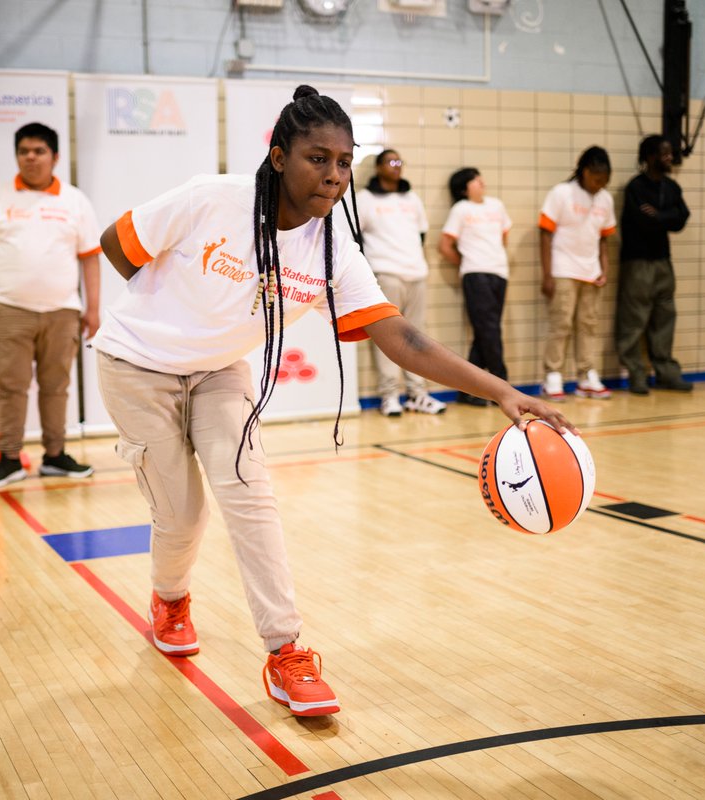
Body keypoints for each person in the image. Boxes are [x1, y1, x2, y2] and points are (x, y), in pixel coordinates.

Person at [93, 86, 573, 717]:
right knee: (182, 515)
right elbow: (116, 243)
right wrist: (170, 312)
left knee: (250, 493)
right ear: (278, 157)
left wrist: (506, 393)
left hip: (218, 373)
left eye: (344, 162)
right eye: (318, 158)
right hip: (137, 364)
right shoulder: (212, 199)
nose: (334, 175)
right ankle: (170, 597)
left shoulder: (332, 249)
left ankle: (285, 651)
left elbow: (403, 337)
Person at [0, 122, 102, 489]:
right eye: (24, 150)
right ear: (16, 156)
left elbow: (90, 257)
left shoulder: (74, 200)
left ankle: (55, 456)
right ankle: (9, 458)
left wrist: (93, 308)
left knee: (56, 386)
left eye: (39, 151)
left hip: (63, 310)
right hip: (10, 309)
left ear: (54, 157)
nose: (31, 157)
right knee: (10, 387)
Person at [356, 148, 445, 416]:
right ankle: (389, 395)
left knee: (417, 337)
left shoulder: (412, 198)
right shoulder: (365, 198)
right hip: (386, 273)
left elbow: (421, 235)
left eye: (399, 161)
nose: (396, 166)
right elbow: (355, 237)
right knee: (388, 338)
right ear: (378, 167)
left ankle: (418, 394)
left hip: (416, 273)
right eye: (390, 161)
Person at [615, 135, 693, 395]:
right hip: (637, 262)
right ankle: (636, 374)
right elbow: (642, 221)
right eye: (665, 153)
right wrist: (665, 218)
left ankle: (666, 372)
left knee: (665, 317)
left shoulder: (671, 187)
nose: (670, 157)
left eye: (670, 153)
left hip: (663, 261)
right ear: (650, 157)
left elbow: (682, 218)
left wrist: (659, 215)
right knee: (634, 319)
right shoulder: (636, 187)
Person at [539, 146, 616, 401]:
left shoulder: (605, 199)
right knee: (561, 324)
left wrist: (604, 269)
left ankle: (587, 376)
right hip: (563, 269)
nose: (599, 184)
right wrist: (547, 275)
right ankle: (553, 375)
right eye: (595, 178)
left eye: (604, 180)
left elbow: (604, 240)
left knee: (589, 325)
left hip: (591, 272)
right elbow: (545, 234)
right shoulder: (561, 193)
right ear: (584, 172)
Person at [439, 167, 512, 407]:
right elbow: (445, 245)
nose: (480, 181)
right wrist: (467, 263)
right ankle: (503, 385)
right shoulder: (461, 209)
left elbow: (503, 237)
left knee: (485, 333)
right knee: (489, 330)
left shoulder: (497, 205)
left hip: (499, 273)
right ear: (463, 188)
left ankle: (468, 390)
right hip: (475, 274)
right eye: (473, 180)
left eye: (479, 177)